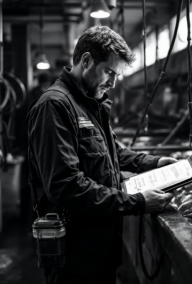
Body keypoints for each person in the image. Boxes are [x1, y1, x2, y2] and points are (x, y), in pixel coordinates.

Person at [26, 25, 176, 284]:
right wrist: (138, 202)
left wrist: (155, 162)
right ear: (86, 60)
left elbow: (110, 151)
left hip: (100, 251)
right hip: (75, 260)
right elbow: (66, 187)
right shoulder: (55, 106)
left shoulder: (88, 103)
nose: (113, 82)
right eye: (109, 72)